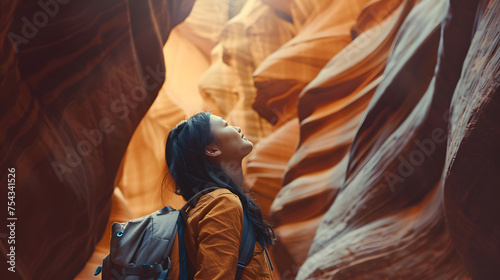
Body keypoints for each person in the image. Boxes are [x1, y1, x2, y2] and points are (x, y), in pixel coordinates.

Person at [163, 111, 276, 279]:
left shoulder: (214, 202)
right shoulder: (223, 203)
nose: (237, 128)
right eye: (225, 125)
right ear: (212, 149)